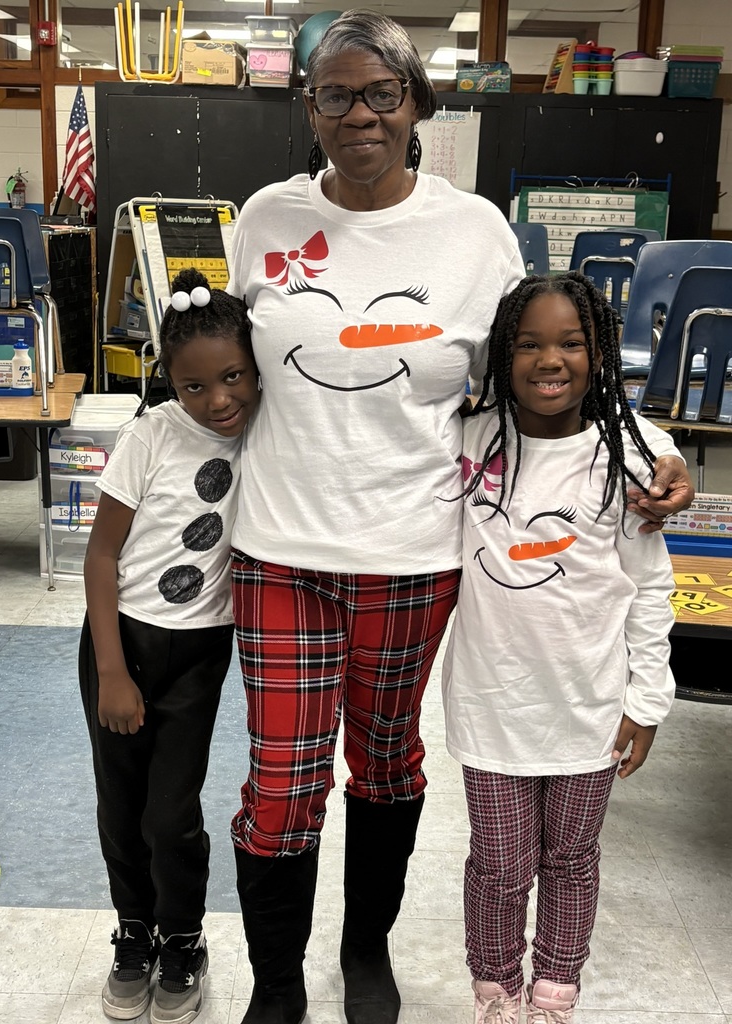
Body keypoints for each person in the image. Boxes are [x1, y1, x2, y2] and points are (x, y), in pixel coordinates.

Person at [225, 11, 692, 1024]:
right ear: (309, 107)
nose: (358, 113)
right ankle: (274, 980)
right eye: (335, 94)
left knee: (386, 764)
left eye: (380, 93)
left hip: (414, 550)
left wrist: (653, 450)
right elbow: (223, 379)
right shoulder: (261, 219)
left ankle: (363, 955)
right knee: (281, 782)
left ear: (415, 104)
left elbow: (545, 372)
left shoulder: (475, 231)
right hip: (278, 545)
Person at [442, 272, 676, 1024]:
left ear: (600, 354)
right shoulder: (468, 444)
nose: (552, 360)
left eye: (572, 343)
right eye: (530, 344)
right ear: (500, 355)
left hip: (591, 711)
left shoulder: (630, 465)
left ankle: (555, 993)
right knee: (502, 865)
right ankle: (496, 989)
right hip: (492, 708)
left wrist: (646, 701)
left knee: (572, 859)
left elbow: (650, 589)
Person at [79, 267, 259, 1024]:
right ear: (169, 383)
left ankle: (183, 937)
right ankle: (134, 934)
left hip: (197, 654)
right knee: (121, 810)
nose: (218, 400)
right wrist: (114, 672)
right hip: (117, 647)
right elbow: (100, 557)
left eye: (233, 378)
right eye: (194, 387)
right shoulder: (147, 436)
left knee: (169, 813)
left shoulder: (267, 429)